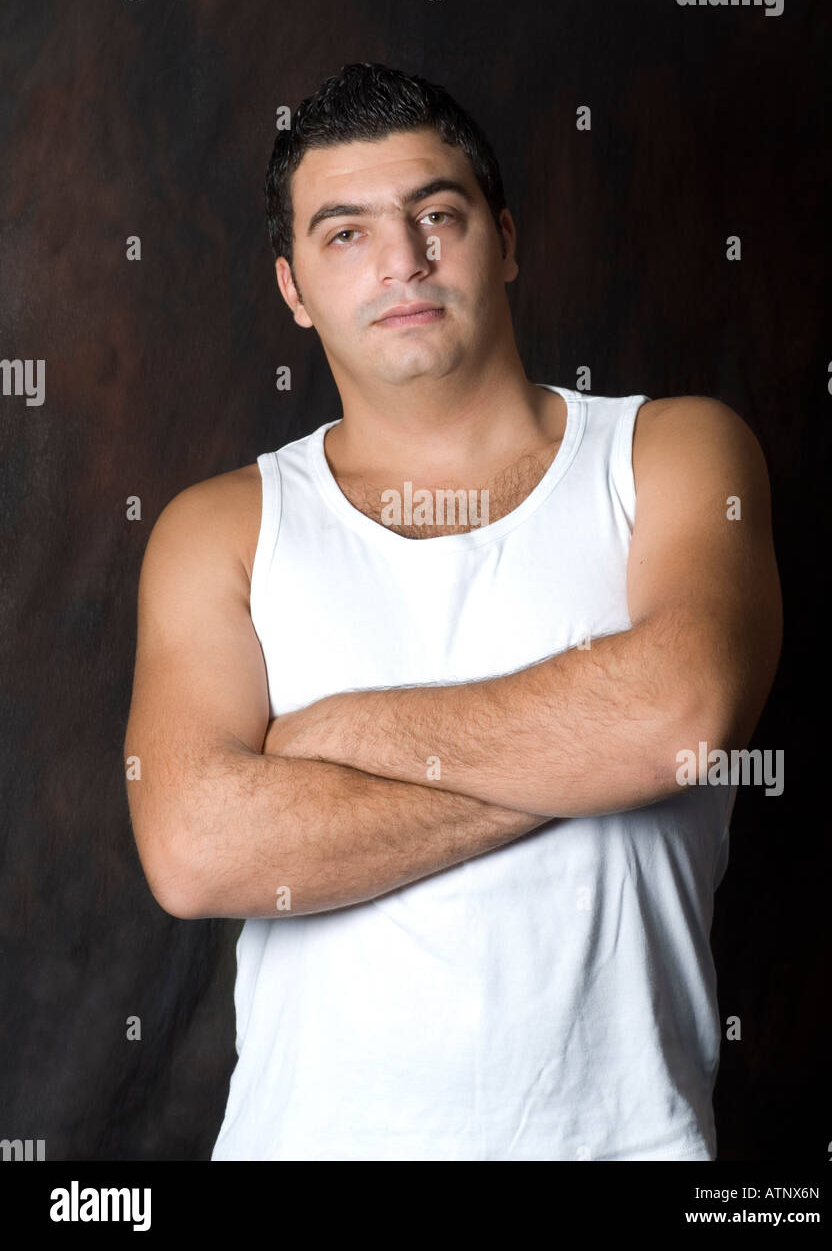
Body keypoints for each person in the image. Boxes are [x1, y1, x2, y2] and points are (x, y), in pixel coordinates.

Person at [123, 62, 782, 1161]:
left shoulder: (671, 454)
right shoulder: (220, 529)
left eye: (438, 213)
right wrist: (589, 759)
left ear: (508, 240)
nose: (402, 259)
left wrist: (335, 742)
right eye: (345, 233)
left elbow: (680, 717)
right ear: (293, 289)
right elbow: (196, 847)